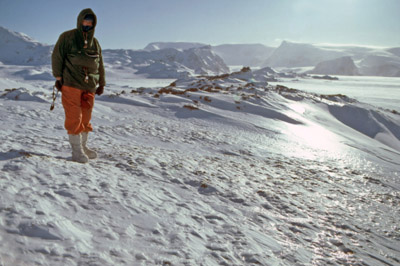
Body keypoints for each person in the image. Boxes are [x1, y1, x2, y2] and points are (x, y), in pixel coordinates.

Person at [52, 8, 105, 163]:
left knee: (86, 117)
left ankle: (83, 146)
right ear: (80, 20)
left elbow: (100, 63)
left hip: (89, 86)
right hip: (71, 82)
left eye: (91, 21)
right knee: (74, 116)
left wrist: (102, 82)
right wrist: (58, 77)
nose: (88, 23)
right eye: (85, 20)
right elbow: (57, 56)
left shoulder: (95, 42)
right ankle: (76, 151)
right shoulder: (67, 37)